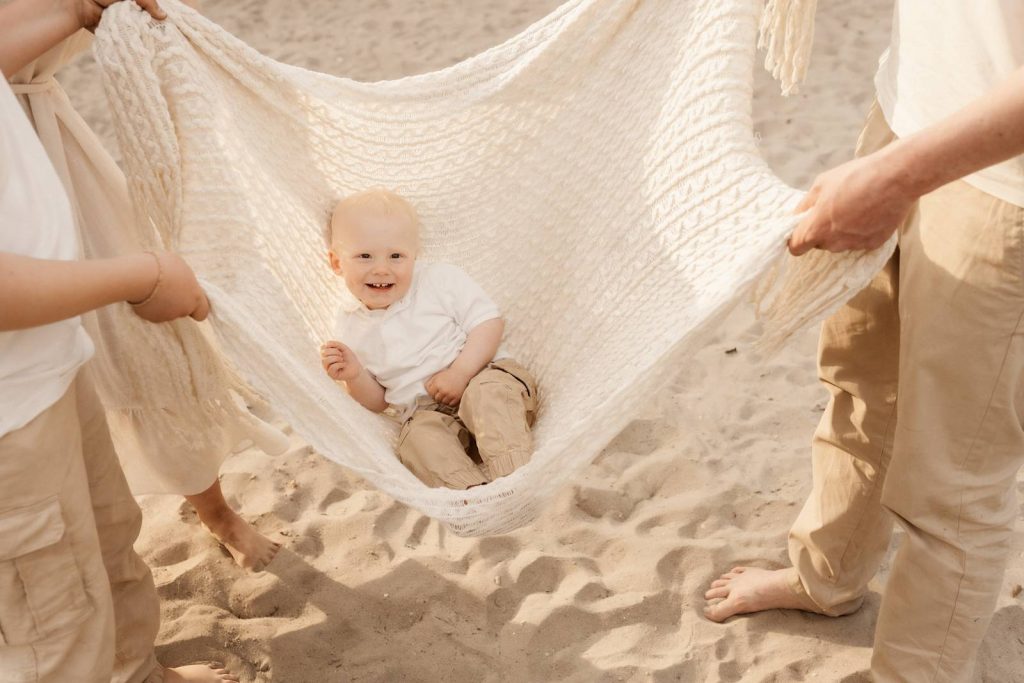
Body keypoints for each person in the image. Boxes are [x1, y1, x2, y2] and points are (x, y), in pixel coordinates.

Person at [704, 2, 1024, 680]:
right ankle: (827, 576)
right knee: (861, 382)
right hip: (910, 111)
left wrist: (895, 178)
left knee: (952, 486)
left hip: (1007, 189)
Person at [0, 0, 239, 680]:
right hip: (7, 421)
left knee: (107, 545)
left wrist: (77, 8)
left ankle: (137, 670)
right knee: (53, 623)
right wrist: (141, 276)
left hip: (45, 365)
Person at [319, 188, 538, 489]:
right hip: (426, 412)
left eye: (396, 256)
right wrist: (354, 375)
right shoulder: (348, 327)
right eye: (364, 256)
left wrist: (460, 372)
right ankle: (473, 497)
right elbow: (380, 402)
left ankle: (516, 478)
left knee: (489, 395)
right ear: (337, 263)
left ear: (415, 256)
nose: (381, 268)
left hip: (481, 375)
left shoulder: (438, 280)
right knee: (415, 439)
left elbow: (489, 323)